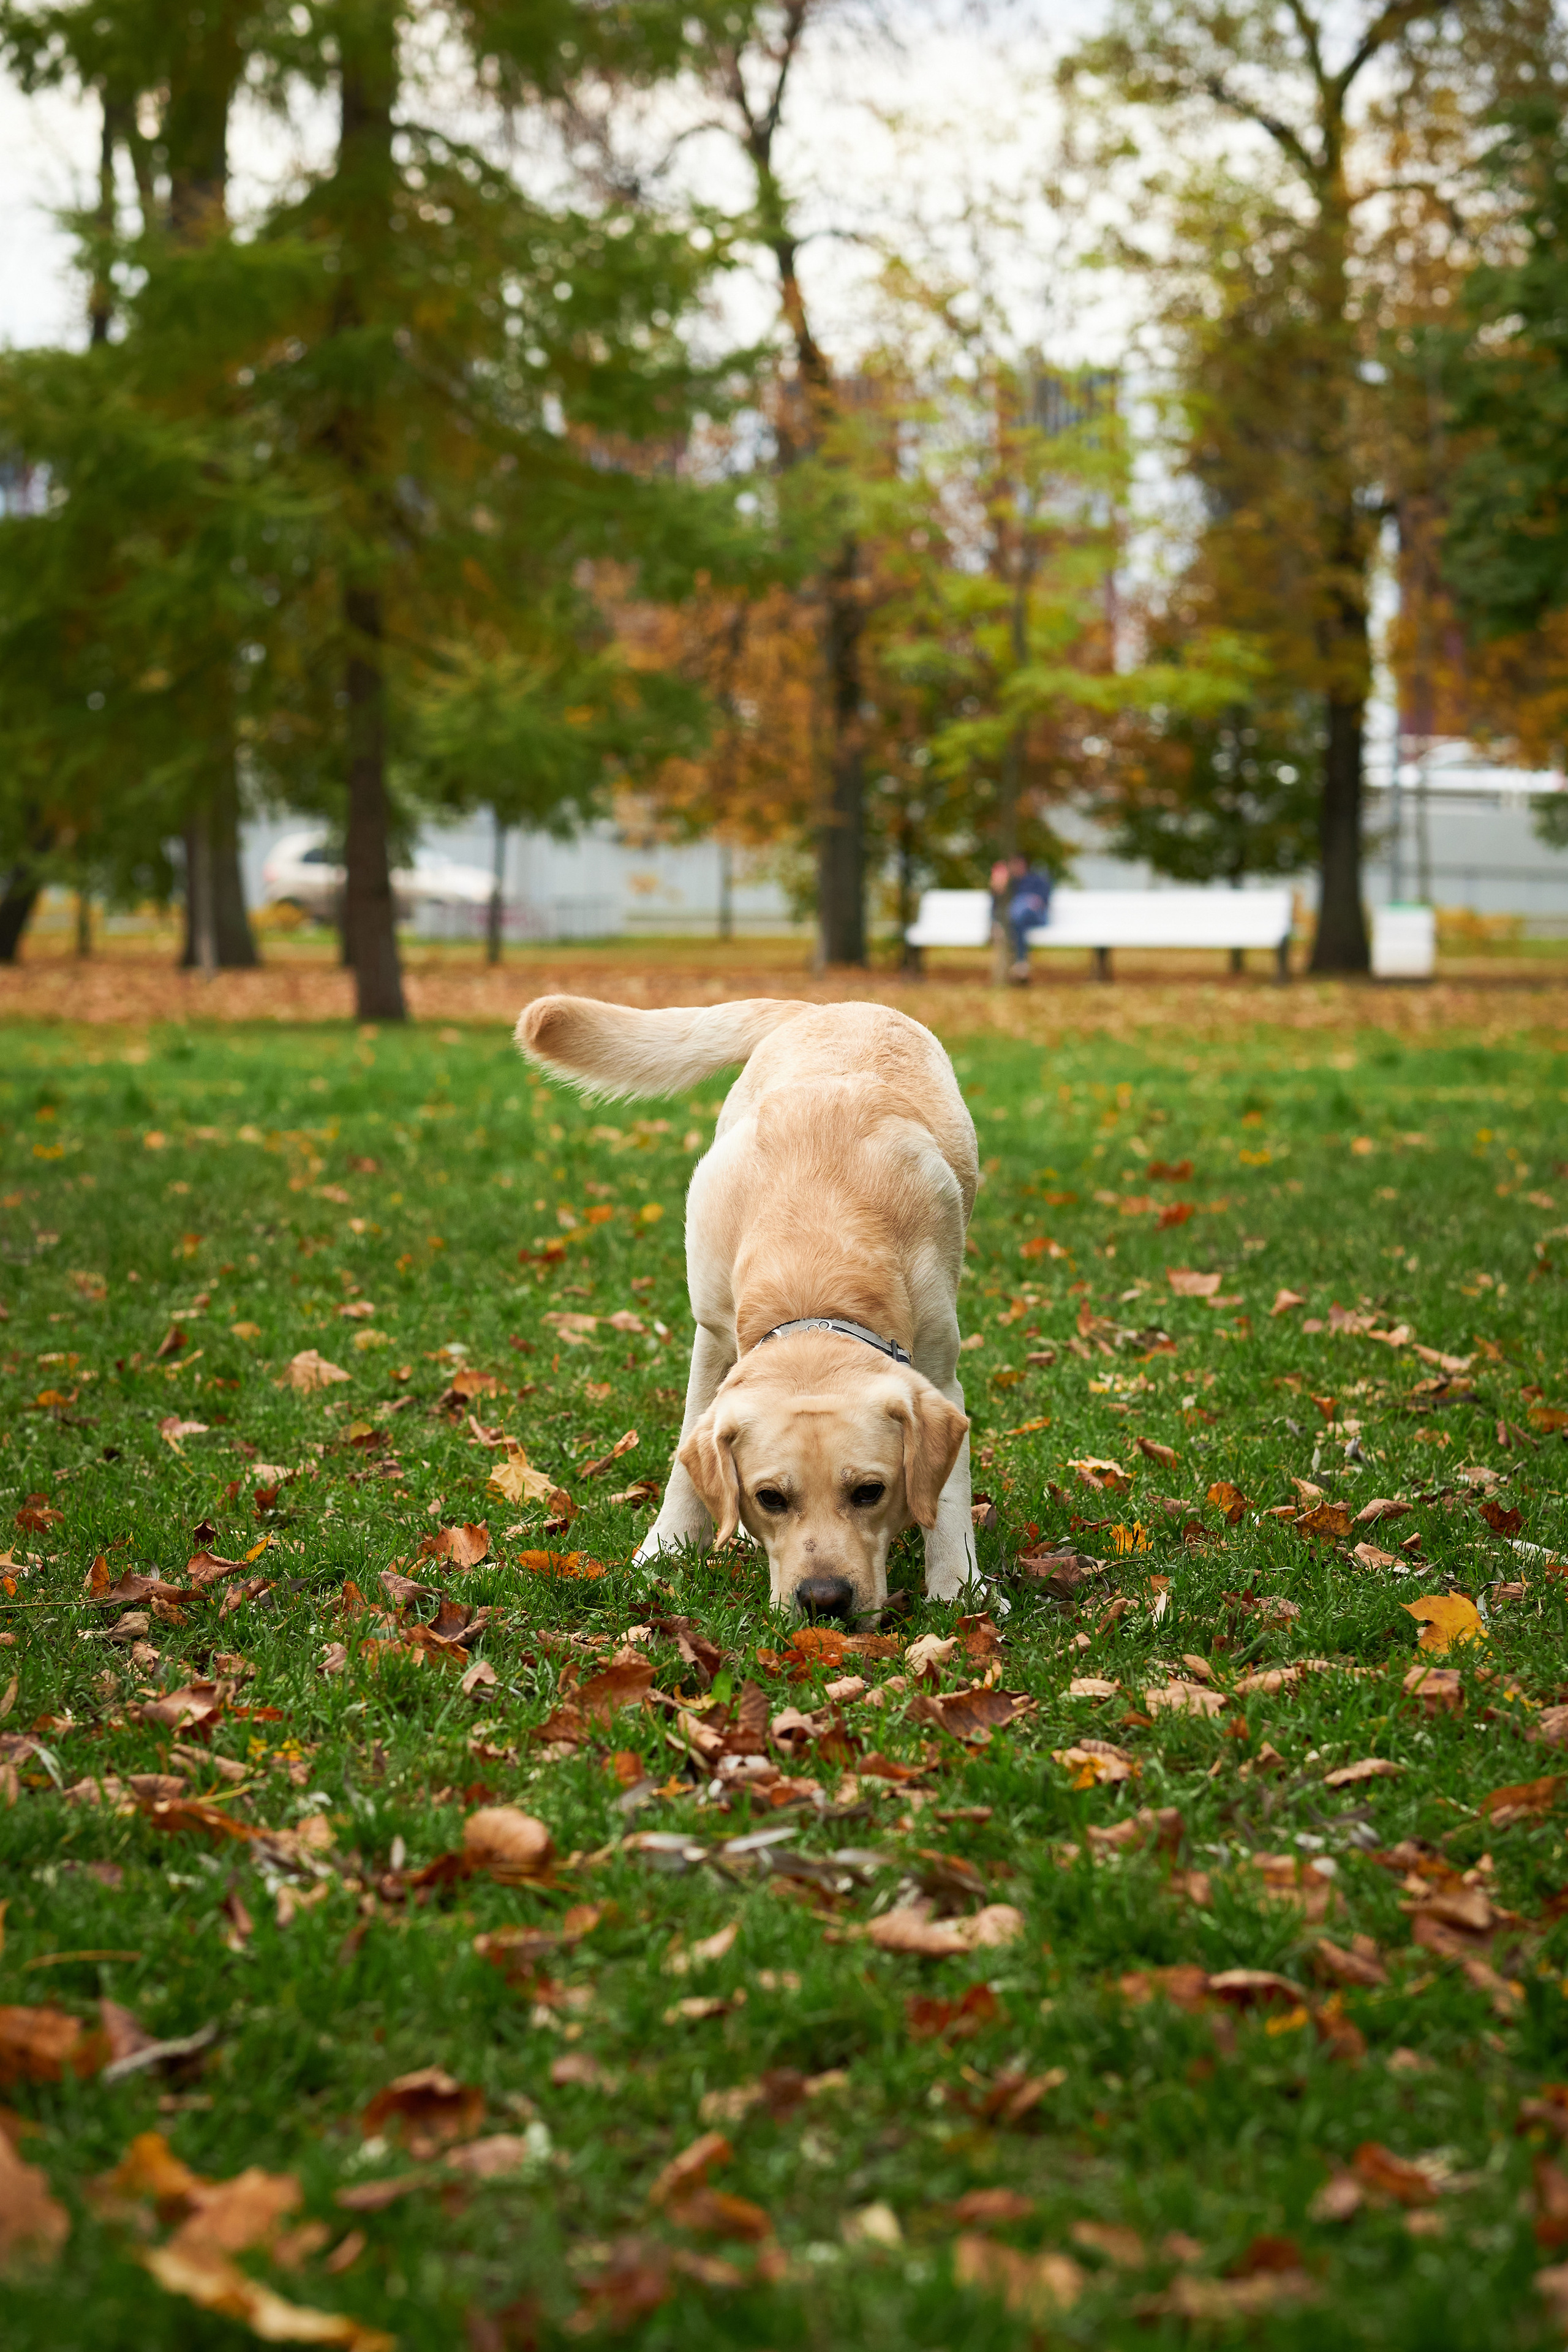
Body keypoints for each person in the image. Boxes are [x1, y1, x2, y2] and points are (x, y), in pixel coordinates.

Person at [994, 853, 1052, 981]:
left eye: (1018, 864)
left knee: (1019, 915)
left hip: (1035, 918)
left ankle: (1020, 964)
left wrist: (1031, 902)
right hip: (1018, 921)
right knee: (1018, 919)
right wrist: (998, 886)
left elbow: (1043, 901)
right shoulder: (1010, 884)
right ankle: (1021, 966)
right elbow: (997, 906)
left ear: (1025, 864)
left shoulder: (1036, 880)